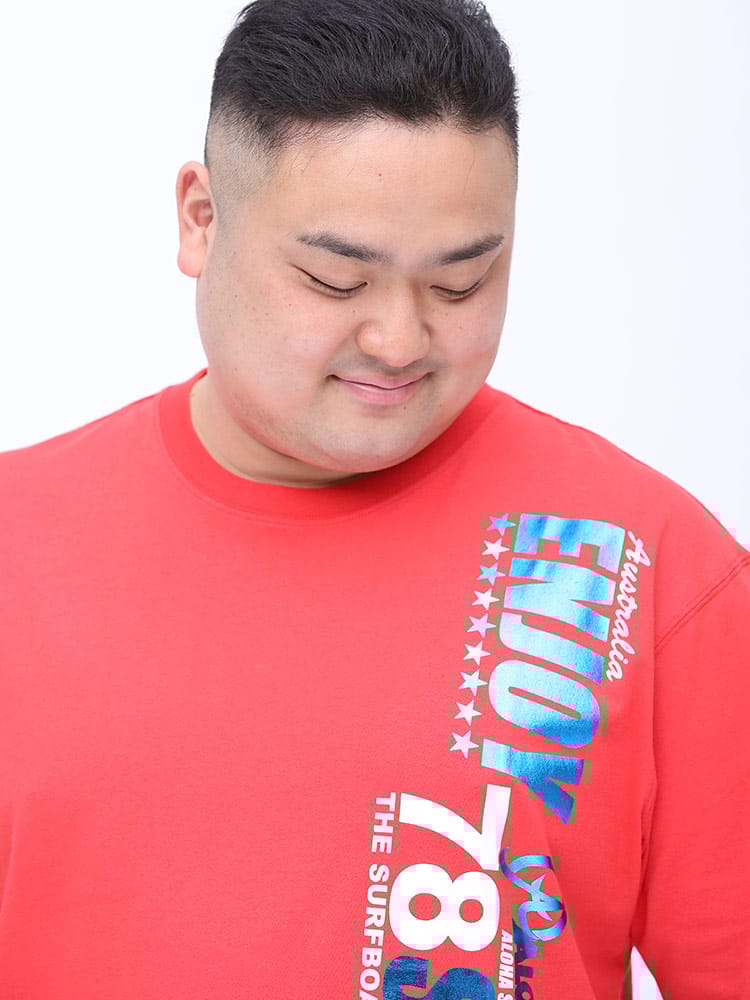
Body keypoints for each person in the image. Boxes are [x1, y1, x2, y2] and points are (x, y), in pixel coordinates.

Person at [0, 1, 747, 997]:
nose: (399, 341)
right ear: (201, 218)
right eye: (335, 280)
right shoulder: (17, 545)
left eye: (461, 282)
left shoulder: (646, 565)